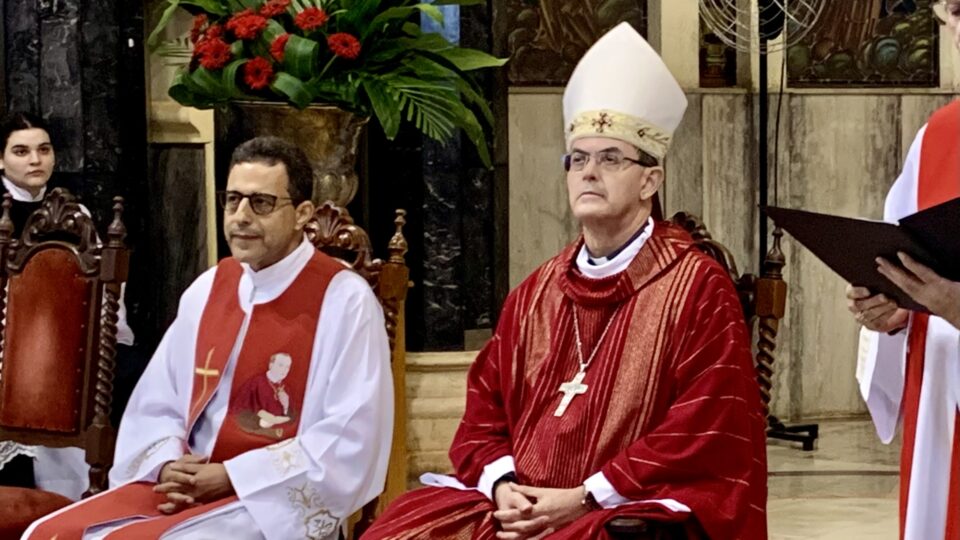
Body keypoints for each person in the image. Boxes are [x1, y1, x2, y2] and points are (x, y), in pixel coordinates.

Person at [363, 23, 767, 540]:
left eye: (610, 158)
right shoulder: (537, 292)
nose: (589, 173)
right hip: (520, 504)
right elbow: (486, 410)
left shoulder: (696, 287)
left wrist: (585, 497)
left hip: (619, 507)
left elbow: (705, 426)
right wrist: (503, 483)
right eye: (578, 159)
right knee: (401, 528)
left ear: (650, 180)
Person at [23, 136, 393, 539]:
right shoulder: (209, 287)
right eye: (232, 200)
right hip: (184, 483)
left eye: (261, 203)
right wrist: (166, 462)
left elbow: (350, 436)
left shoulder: (344, 300)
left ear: (302, 213)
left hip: (269, 500)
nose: (241, 216)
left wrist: (232, 475)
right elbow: (158, 402)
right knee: (47, 533)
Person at [849, 3, 960, 537]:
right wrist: (888, 313)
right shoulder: (938, 137)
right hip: (942, 400)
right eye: (959, 13)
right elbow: (898, 255)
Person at [0, 111, 138, 501]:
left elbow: (106, 287)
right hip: (12, 346)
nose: (35, 160)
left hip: (74, 340)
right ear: (2, 159)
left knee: (129, 371)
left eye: (43, 150)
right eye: (21, 151)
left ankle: (102, 493)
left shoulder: (78, 215)